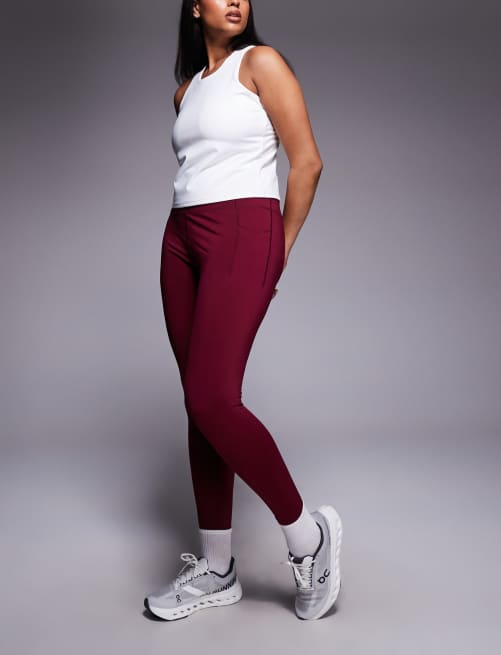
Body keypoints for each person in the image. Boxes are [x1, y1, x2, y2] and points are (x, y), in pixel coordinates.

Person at [144, 0, 343, 621]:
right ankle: (217, 567)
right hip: (181, 237)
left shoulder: (261, 63)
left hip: (243, 231)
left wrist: (275, 254)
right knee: (197, 405)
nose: (235, 0)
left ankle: (308, 538)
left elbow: (307, 162)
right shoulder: (186, 92)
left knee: (213, 399)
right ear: (193, 7)